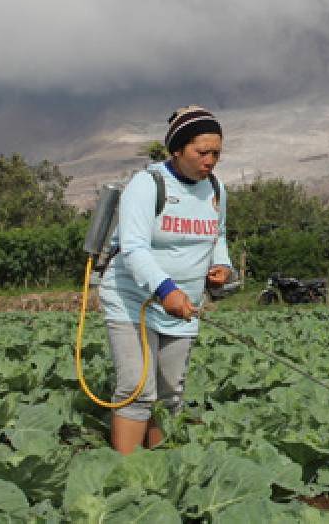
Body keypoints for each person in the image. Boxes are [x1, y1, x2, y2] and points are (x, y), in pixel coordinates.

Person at [98, 105, 233, 454]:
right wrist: (165, 289)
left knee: (171, 391)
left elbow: (217, 235)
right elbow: (134, 248)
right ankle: (126, 475)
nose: (211, 161)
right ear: (177, 149)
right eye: (202, 152)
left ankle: (160, 470)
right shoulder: (147, 185)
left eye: (216, 153)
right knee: (137, 387)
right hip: (134, 299)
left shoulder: (215, 188)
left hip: (183, 305)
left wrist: (222, 266)